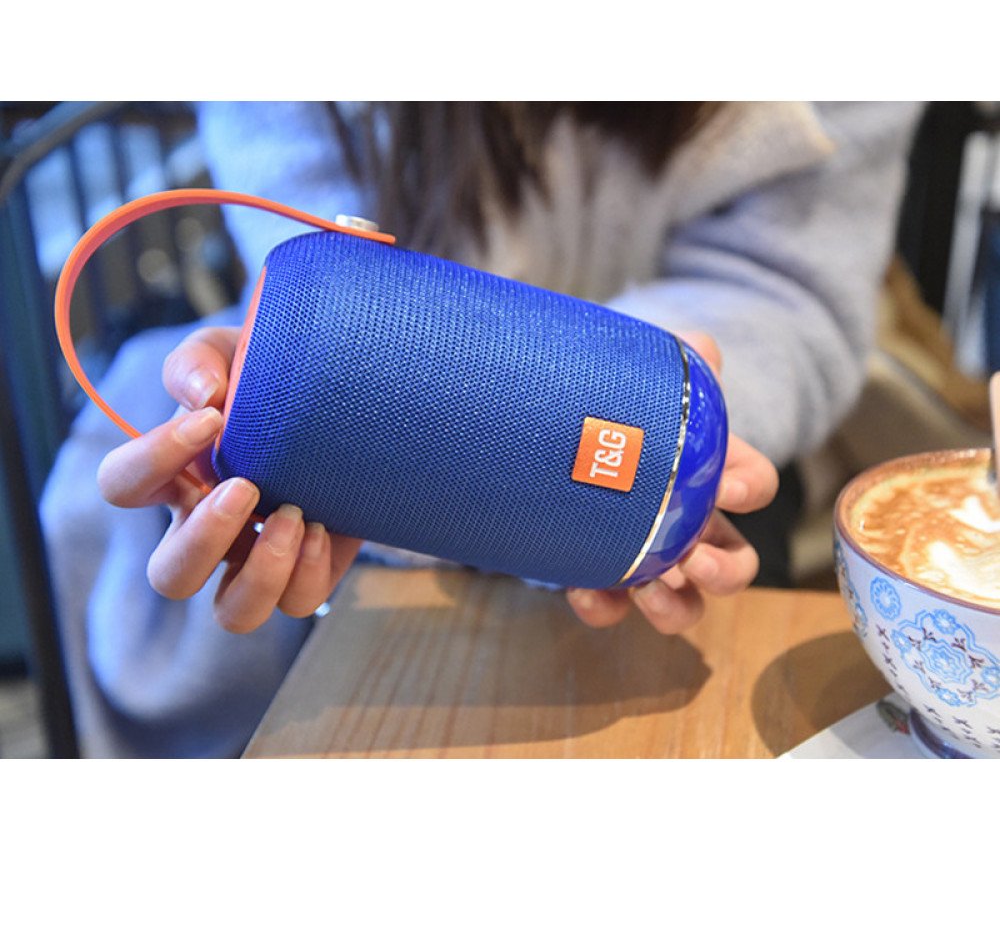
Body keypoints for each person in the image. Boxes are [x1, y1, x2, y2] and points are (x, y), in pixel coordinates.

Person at [41, 101, 923, 757]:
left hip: (682, 428)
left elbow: (785, 286)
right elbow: (333, 300)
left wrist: (616, 399)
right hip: (397, 456)